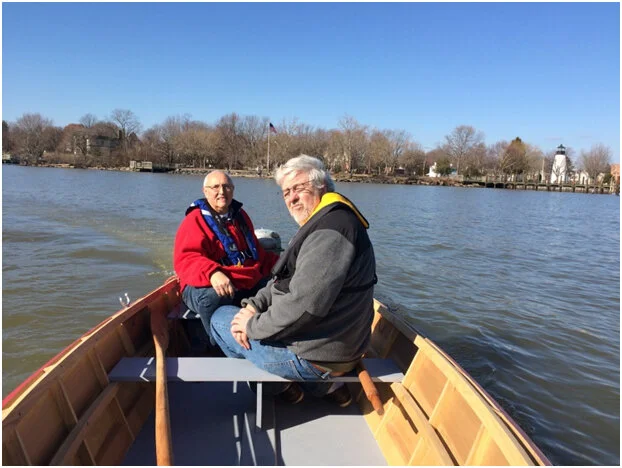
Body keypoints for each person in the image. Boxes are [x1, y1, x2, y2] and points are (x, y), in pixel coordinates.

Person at [210, 155, 377, 406]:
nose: (291, 198)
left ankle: (284, 387)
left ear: (321, 186)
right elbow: (283, 281)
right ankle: (323, 388)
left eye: (299, 188)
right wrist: (254, 305)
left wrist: (251, 325)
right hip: (328, 342)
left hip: (319, 356)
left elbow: (304, 309)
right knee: (240, 317)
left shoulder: (330, 232)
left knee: (220, 318)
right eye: (286, 192)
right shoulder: (325, 221)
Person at [173, 170, 279, 343]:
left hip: (241, 279)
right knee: (214, 296)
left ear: (233, 190)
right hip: (203, 284)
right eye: (215, 187)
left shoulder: (241, 216)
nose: (221, 192)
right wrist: (212, 273)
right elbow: (186, 258)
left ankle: (266, 335)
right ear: (205, 191)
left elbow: (256, 254)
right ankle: (217, 343)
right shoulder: (194, 220)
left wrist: (285, 265)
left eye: (226, 187)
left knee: (276, 286)